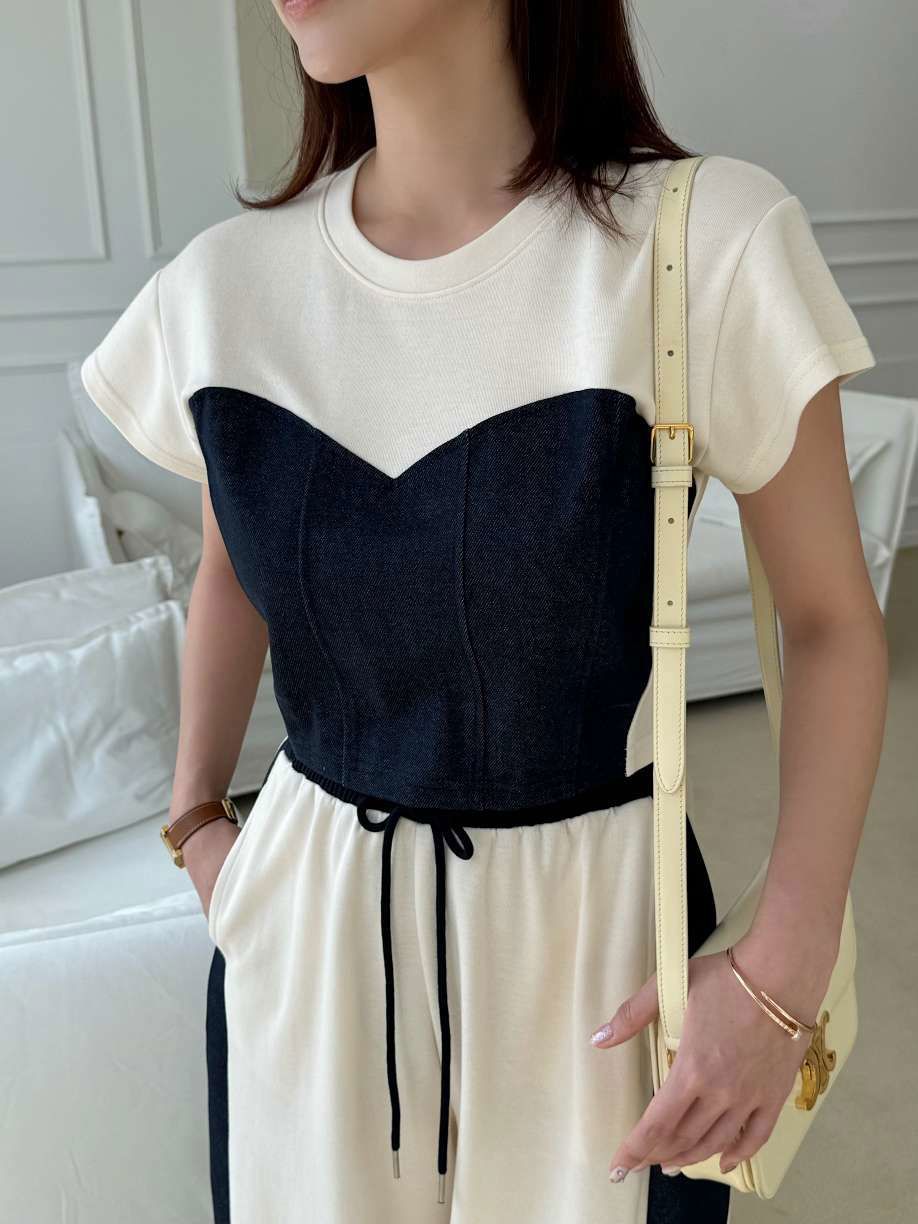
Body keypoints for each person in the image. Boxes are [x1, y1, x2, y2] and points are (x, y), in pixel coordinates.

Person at [78, 1, 888, 1221]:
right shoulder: (222, 285)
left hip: (597, 949)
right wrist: (198, 822)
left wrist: (786, 967)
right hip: (304, 933)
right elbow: (232, 570)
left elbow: (830, 620)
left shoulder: (698, 240)